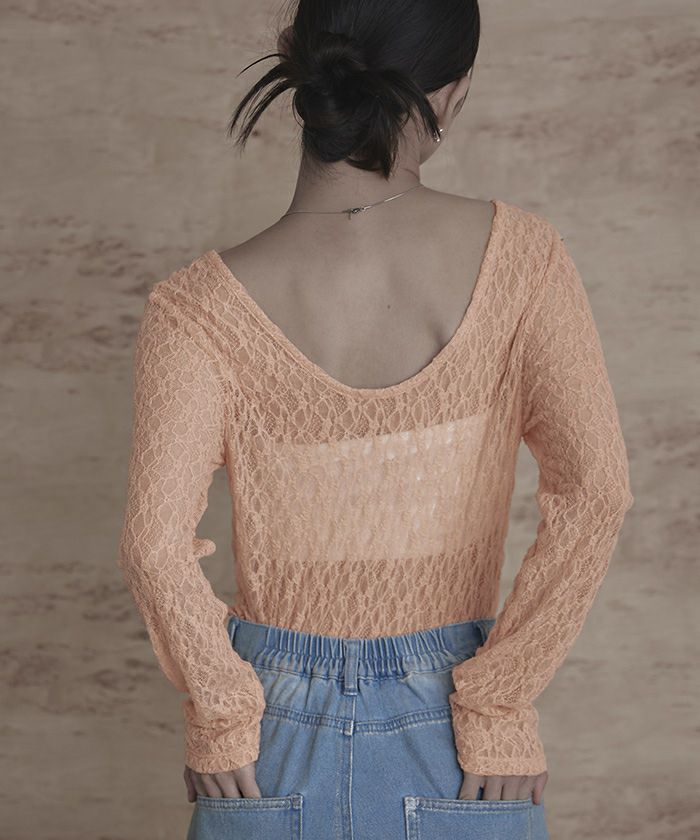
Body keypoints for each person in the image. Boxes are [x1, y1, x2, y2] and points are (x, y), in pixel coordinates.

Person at [116, 2, 634, 838]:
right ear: (453, 92)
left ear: (298, 63)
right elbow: (597, 491)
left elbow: (153, 545)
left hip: (269, 742)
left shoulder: (195, 309)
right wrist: (500, 699)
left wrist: (221, 710)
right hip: (460, 740)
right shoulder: (525, 260)